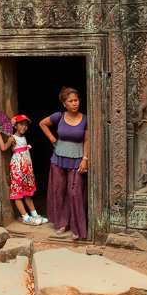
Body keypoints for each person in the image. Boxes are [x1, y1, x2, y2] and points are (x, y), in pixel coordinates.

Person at [40, 87, 88, 239]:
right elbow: (42, 124)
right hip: (59, 160)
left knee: (74, 193)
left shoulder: (86, 119)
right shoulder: (59, 116)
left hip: (77, 160)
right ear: (64, 104)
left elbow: (87, 140)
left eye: (76, 100)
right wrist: (53, 140)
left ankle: (76, 227)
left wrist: (85, 159)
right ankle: (62, 223)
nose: (74, 103)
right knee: (59, 191)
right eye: (71, 101)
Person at [0, 114, 47, 225]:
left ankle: (35, 215)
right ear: (15, 126)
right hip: (18, 168)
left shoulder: (23, 137)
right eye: (21, 124)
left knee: (27, 192)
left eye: (26, 125)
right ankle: (26, 217)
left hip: (26, 168)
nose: (24, 127)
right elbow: (3, 148)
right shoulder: (12, 138)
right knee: (18, 192)